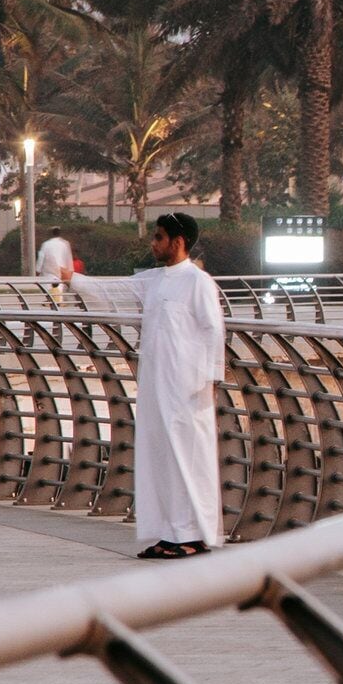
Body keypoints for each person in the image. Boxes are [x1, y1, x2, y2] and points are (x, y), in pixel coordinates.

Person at [131, 211, 225, 561]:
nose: (153, 243)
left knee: (189, 459)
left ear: (178, 241)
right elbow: (112, 292)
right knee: (162, 458)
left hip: (189, 388)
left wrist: (209, 379)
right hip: (157, 386)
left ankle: (192, 535)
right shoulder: (154, 280)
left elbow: (214, 330)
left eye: (158, 237)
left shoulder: (198, 282)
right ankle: (170, 532)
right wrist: (73, 281)